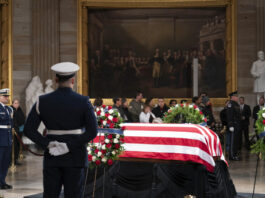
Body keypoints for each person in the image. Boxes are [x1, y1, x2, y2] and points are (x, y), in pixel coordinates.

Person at [23, 62, 98, 198]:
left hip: (53, 156)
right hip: (76, 157)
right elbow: (92, 131)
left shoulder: (42, 101)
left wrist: (47, 144)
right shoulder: (83, 101)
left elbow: (29, 130)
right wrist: (69, 146)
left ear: (56, 80)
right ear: (73, 81)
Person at [0, 89, 13, 189]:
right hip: (0, 139)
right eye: (5, 96)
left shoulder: (9, 109)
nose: (7, 98)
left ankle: (2, 181)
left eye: (7, 96)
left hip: (7, 139)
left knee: (5, 162)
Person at [226, 91, 241, 161]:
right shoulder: (230, 104)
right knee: (232, 141)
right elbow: (229, 115)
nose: (237, 97)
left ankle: (235, 154)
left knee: (236, 141)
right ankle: (232, 156)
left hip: (237, 125)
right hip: (233, 125)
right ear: (232, 97)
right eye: (236, 96)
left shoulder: (236, 104)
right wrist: (230, 125)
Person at [11, 99, 25, 165]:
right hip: (14, 131)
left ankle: (16, 159)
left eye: (18, 103)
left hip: (20, 131)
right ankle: (12, 160)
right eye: (15, 103)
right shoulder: (11, 110)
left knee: (18, 145)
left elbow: (22, 119)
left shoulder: (20, 110)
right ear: (13, 104)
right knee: (14, 146)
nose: (17, 104)